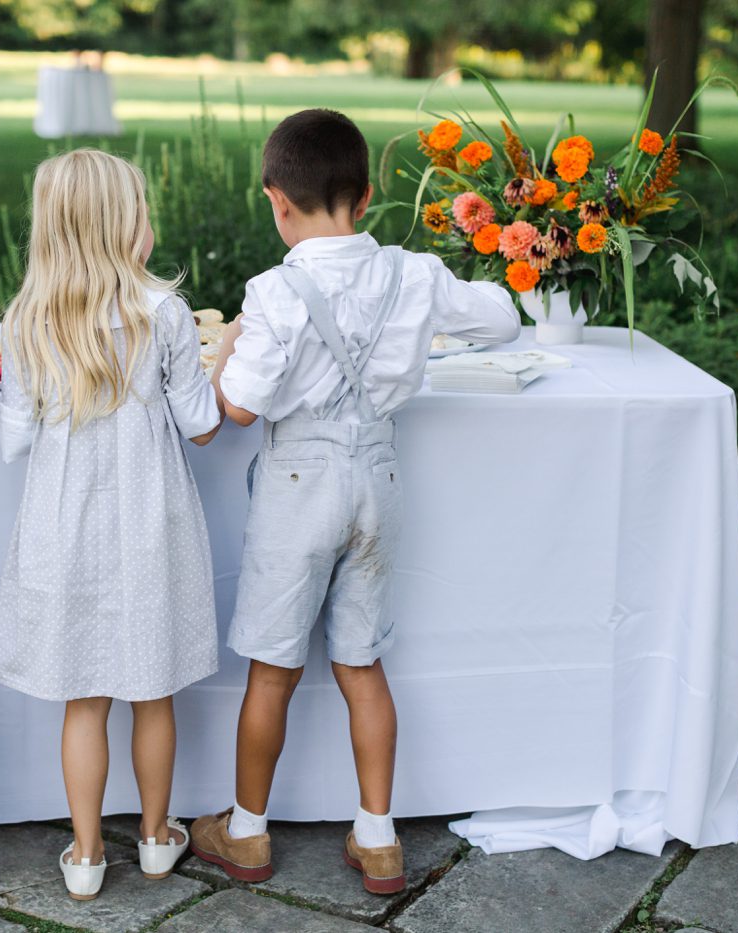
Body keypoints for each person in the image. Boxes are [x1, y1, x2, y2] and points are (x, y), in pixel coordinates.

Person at [194, 108, 520, 894]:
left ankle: (246, 831)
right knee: (362, 662)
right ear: (366, 197)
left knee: (271, 671)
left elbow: (236, 408)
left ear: (276, 200)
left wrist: (233, 340)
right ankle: (377, 838)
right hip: (376, 480)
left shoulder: (274, 292)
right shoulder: (415, 275)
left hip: (299, 486)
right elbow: (506, 318)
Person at [0, 149, 222, 901]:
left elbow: (15, 434)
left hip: (66, 523)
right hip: (149, 521)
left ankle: (87, 853)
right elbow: (201, 424)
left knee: (83, 697)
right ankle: (156, 839)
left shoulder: (26, 317)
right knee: (152, 689)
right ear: (126, 226)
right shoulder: (166, 313)